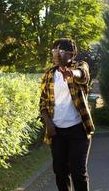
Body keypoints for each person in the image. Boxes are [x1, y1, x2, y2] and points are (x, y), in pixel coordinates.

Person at [39, 38, 95, 191]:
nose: (56, 54)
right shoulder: (49, 74)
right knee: (60, 172)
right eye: (54, 51)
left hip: (78, 130)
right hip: (57, 132)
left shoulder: (80, 66)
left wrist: (71, 73)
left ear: (71, 54)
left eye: (60, 51)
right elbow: (43, 102)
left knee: (78, 173)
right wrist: (48, 124)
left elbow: (83, 75)